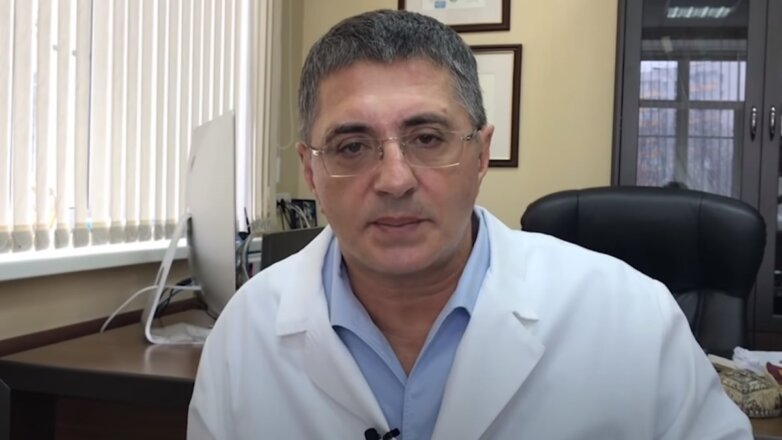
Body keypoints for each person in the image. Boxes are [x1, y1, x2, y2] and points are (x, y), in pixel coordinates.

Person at [188, 9, 751, 440]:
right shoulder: (244, 336)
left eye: (427, 138)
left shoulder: (632, 317)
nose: (394, 180)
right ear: (311, 171)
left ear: (481, 155)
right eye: (352, 146)